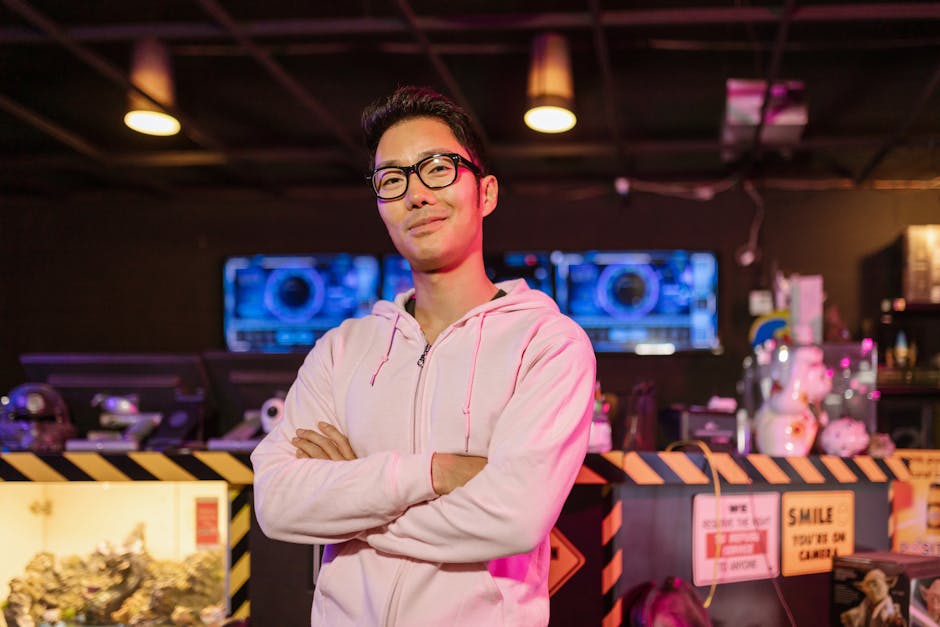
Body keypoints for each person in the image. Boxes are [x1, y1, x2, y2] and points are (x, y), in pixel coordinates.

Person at [250, 85, 597, 626]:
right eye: (392, 180)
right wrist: (431, 473)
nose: (415, 194)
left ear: (486, 193)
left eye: (437, 168)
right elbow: (275, 502)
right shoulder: (342, 349)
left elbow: (513, 518)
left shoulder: (548, 344)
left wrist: (349, 504)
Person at [840, 568, 905, 627]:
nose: (872, 589)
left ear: (887, 584)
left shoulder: (888, 606)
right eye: (868, 585)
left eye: (875, 584)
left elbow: (890, 615)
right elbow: (859, 615)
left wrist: (893, 621)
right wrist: (851, 617)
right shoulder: (866, 603)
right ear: (863, 589)